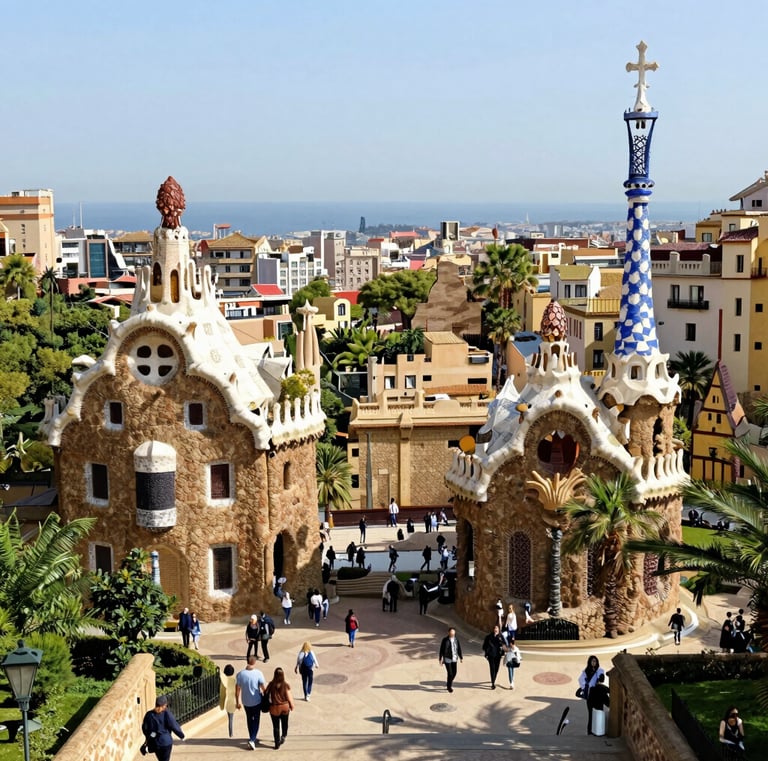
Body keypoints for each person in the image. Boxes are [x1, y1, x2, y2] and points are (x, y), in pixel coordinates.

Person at [236, 656, 266, 750]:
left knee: (249, 719)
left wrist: (238, 702)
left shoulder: (240, 674)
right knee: (256, 720)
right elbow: (263, 687)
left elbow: (237, 690)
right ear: (255, 662)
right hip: (256, 701)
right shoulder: (258, 673)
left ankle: (251, 736)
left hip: (246, 701)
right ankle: (252, 739)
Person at [141, 695, 184, 761]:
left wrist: (148, 738)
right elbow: (173, 725)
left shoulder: (149, 714)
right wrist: (181, 735)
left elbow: (145, 728)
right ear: (164, 705)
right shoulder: (166, 713)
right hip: (166, 742)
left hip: (156, 743)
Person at [265, 667, 295, 750]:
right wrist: (292, 705)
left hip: (274, 707)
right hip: (284, 706)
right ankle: (283, 736)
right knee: (285, 723)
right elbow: (289, 697)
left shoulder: (271, 684)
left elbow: (266, 693)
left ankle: (276, 743)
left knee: (276, 726)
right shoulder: (285, 685)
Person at [578, 655, 606, 735]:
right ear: (590, 662)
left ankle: (598, 731)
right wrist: (585, 686)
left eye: (595, 661)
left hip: (597, 695)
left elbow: (602, 679)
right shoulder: (586, 671)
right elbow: (581, 680)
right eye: (592, 661)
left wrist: (601, 677)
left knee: (599, 713)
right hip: (590, 696)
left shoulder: (599, 670)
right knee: (591, 714)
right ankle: (589, 732)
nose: (594, 662)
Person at [438, 626, 463, 693]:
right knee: (450, 673)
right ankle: (449, 687)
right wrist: (440, 658)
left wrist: (461, 657)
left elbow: (459, 649)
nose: (452, 633)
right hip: (447, 658)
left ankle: (449, 683)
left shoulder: (456, 640)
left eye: (453, 632)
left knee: (454, 673)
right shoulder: (445, 640)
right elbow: (441, 650)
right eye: (451, 632)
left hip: (454, 658)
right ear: (448, 632)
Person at [482, 624, 506, 690]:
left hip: (498, 655)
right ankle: (493, 683)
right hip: (491, 655)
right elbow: (484, 646)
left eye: (497, 628)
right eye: (494, 628)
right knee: (492, 669)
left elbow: (504, 645)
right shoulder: (489, 637)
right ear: (493, 629)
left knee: (496, 669)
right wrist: (487, 652)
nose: (495, 629)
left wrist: (503, 652)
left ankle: (493, 679)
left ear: (498, 629)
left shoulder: (501, 637)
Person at [219, 664, 236, 738]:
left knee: (230, 718)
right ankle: (231, 734)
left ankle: (230, 733)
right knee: (231, 719)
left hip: (225, 700)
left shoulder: (223, 680)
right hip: (232, 701)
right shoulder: (234, 680)